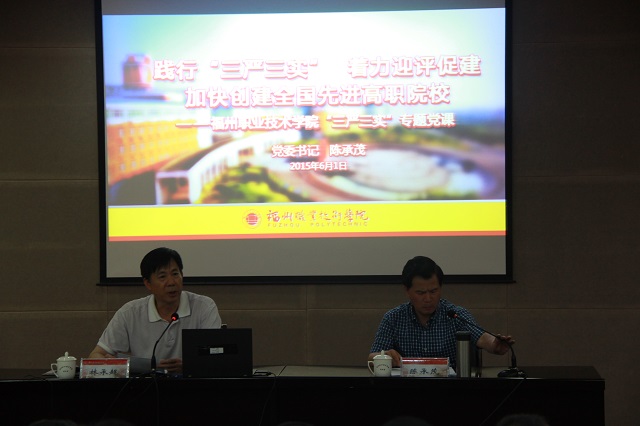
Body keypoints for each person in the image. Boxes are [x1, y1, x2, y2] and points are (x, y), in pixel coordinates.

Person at [368, 256, 514, 371]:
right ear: (407, 291)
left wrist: (495, 345)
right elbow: (372, 357)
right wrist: (384, 356)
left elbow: (481, 337)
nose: (428, 298)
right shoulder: (393, 318)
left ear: (440, 287)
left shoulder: (455, 315)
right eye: (420, 293)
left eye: (433, 291)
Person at [89, 247, 222, 373]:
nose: (171, 282)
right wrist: (115, 364)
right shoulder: (130, 313)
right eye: (162, 276)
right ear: (148, 284)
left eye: (175, 274)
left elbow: (218, 356)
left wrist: (190, 365)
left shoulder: (204, 307)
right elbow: (96, 355)